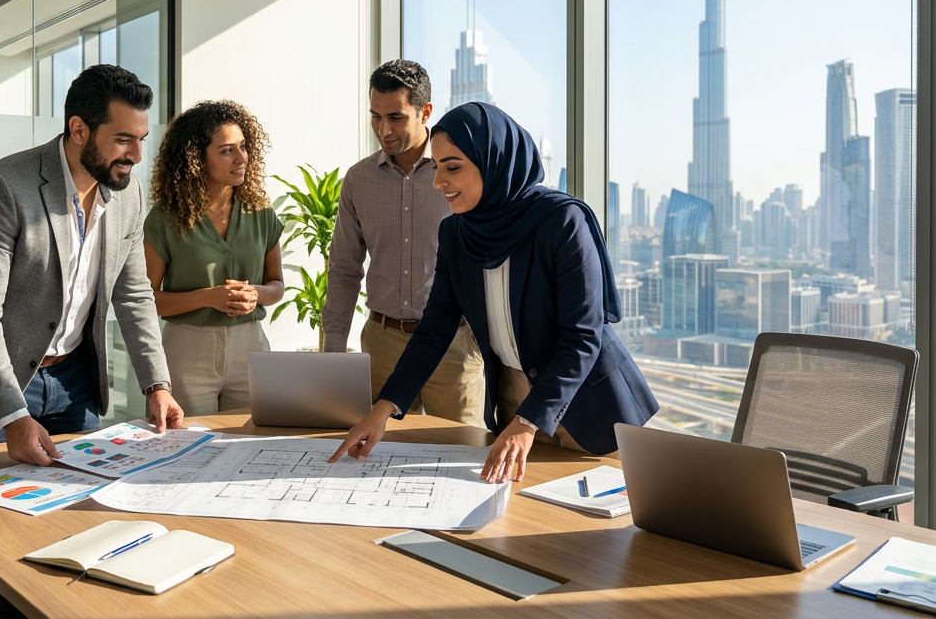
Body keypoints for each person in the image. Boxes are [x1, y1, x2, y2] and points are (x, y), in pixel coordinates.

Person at [330, 101, 659, 483]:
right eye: (437, 168)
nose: (439, 183)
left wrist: (529, 422)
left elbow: (582, 338)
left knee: (601, 533)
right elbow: (435, 328)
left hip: (588, 401)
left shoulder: (562, 221)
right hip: (513, 398)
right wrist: (382, 410)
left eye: (453, 167)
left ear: (494, 161)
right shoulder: (456, 233)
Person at [0, 63, 185, 462]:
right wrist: (12, 415)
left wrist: (156, 385)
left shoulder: (127, 196)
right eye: (123, 140)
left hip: (73, 382)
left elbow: (133, 296)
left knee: (78, 503)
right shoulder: (3, 187)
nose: (136, 155)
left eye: (142, 139)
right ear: (79, 130)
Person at [322, 60, 485, 427]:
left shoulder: (460, 175)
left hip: (452, 346)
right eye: (375, 116)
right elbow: (345, 270)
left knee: (460, 456)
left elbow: (487, 258)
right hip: (382, 346)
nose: (383, 129)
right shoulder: (359, 180)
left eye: (395, 117)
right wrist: (333, 351)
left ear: (425, 112)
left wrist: (479, 335)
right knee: (378, 461)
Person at [144, 100, 285, 415]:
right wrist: (209, 297)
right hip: (187, 352)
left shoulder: (261, 213)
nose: (241, 158)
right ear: (196, 159)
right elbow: (147, 300)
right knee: (185, 448)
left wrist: (256, 294)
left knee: (249, 444)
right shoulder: (165, 218)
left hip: (251, 348)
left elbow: (276, 285)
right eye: (226, 150)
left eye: (243, 147)